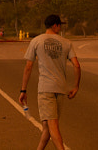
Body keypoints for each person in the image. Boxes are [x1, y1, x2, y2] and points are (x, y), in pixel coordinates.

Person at [18, 14, 82, 150]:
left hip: (46, 89)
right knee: (48, 126)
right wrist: (75, 86)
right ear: (55, 26)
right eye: (59, 25)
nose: (60, 28)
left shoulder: (36, 41)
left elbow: (28, 67)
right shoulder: (67, 43)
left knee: (52, 126)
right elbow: (77, 65)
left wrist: (23, 90)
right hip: (60, 89)